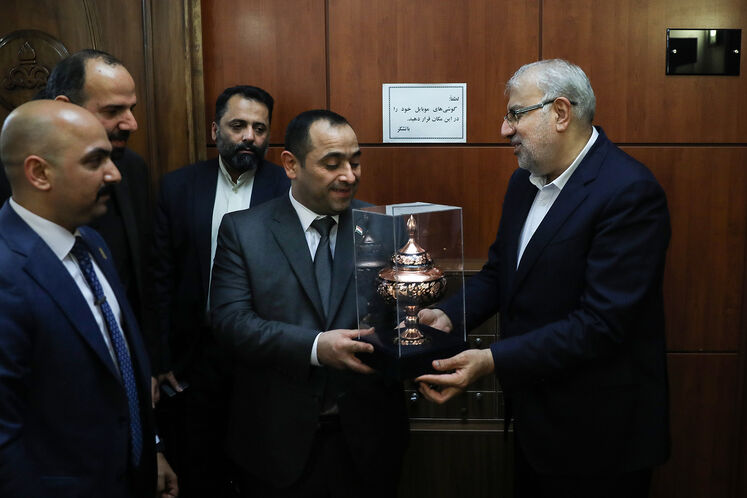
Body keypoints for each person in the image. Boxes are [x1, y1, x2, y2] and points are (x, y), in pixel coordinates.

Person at [415, 59, 671, 498]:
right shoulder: (524, 183)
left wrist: (491, 360)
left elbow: (602, 324)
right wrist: (451, 315)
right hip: (535, 424)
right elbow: (500, 274)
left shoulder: (629, 192)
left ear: (560, 113)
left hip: (600, 439)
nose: (504, 129)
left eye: (515, 114)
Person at [210, 110, 408, 497]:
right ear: (291, 165)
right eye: (332, 164)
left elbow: (399, 321)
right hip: (275, 442)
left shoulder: (384, 229)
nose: (348, 175)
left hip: (369, 441)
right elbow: (231, 322)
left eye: (355, 162)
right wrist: (315, 347)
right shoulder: (244, 231)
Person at [0, 100, 176, 497]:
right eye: (95, 161)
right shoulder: (6, 272)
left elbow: (119, 371)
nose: (114, 174)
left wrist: (152, 451)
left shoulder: (92, 243)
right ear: (39, 173)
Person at [151, 85, 289, 496]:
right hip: (196, 355)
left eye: (259, 128)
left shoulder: (287, 188)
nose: (249, 136)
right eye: (238, 125)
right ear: (215, 131)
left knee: (262, 470)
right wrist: (160, 357)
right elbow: (160, 277)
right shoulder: (178, 187)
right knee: (200, 468)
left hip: (265, 353)